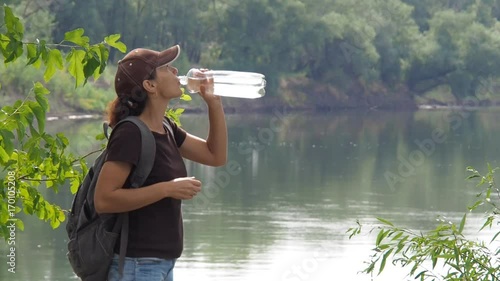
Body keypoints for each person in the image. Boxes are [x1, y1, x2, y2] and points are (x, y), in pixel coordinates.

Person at [94, 44, 227, 281]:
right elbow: (104, 200)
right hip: (137, 266)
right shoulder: (131, 134)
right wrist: (167, 188)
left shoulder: (166, 127)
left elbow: (214, 156)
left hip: (161, 266)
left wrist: (214, 104)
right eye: (166, 67)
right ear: (150, 85)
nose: (176, 71)